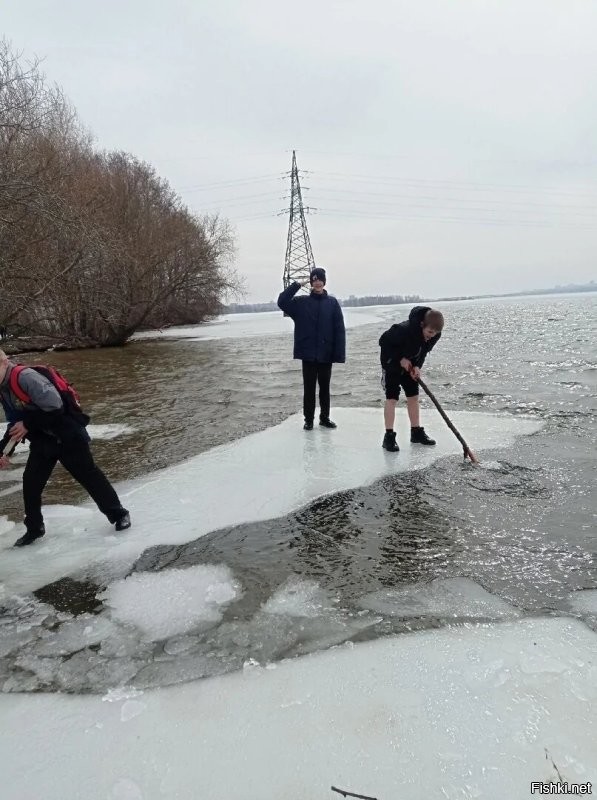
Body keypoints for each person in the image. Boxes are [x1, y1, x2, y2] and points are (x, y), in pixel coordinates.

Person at [0, 350, 130, 547]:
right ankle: (34, 529)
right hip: (44, 440)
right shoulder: (3, 388)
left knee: (89, 476)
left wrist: (27, 424)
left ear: (3, 362)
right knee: (31, 483)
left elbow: (55, 407)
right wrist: (4, 451)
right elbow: (16, 424)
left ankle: (119, 514)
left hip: (68, 436)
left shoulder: (26, 377)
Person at [277, 267, 346, 430]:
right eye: (314, 280)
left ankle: (325, 418)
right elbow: (282, 302)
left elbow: (339, 330)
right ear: (311, 283)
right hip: (308, 354)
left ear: (324, 282)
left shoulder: (332, 303)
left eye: (320, 280)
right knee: (309, 389)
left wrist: (339, 354)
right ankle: (308, 419)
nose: (317, 283)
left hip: (326, 354)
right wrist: (296, 285)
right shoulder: (301, 303)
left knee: (325, 388)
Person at [379, 306, 444, 452]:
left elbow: (423, 351)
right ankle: (388, 437)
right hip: (391, 364)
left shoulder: (434, 335)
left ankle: (416, 432)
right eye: (429, 332)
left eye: (435, 334)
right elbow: (383, 342)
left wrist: (417, 366)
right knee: (392, 398)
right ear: (422, 324)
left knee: (413, 396)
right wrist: (400, 359)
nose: (431, 336)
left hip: (410, 365)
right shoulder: (402, 330)